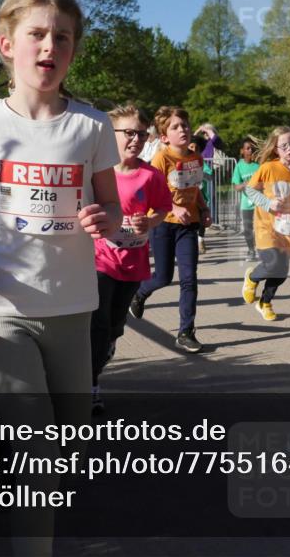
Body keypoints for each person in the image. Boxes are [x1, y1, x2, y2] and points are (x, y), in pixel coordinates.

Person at [0, 0, 121, 557]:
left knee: (66, 447)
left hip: (72, 309)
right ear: (5, 44)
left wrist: (105, 219)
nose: (49, 46)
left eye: (61, 37)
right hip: (3, 310)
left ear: (73, 50)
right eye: (36, 34)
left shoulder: (92, 127)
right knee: (36, 456)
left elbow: (112, 204)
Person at [90, 104, 172, 414]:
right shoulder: (98, 172)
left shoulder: (150, 175)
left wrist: (149, 222)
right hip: (99, 261)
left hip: (133, 265)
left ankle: (103, 352)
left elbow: (163, 208)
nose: (135, 139)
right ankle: (91, 386)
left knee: (113, 328)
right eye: (128, 133)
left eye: (141, 134)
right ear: (110, 136)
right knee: (96, 327)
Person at [127, 106, 212, 353]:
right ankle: (139, 295)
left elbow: (195, 190)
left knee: (189, 278)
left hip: (188, 225)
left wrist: (204, 210)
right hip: (163, 223)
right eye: (175, 127)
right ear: (164, 137)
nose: (182, 129)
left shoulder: (196, 158)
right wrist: (174, 207)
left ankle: (186, 332)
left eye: (185, 125)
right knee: (163, 277)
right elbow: (152, 195)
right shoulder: (161, 159)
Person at [241, 126, 290, 321]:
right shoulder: (268, 168)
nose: (289, 149)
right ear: (276, 149)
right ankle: (252, 276)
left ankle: (265, 302)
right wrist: (268, 203)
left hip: (288, 229)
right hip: (266, 227)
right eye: (284, 146)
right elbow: (250, 190)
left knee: (280, 273)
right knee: (272, 263)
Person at [232, 137, 260, 261]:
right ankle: (251, 251)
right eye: (248, 148)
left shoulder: (258, 166)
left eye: (252, 148)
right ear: (242, 151)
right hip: (246, 204)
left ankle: (263, 250)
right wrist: (244, 185)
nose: (250, 151)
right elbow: (236, 186)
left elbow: (264, 183)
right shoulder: (239, 166)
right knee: (248, 229)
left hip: (259, 203)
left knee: (261, 228)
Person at [190, 133, 212, 254]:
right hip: (189, 200)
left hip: (202, 199)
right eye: (191, 147)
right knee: (193, 223)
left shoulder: (202, 163)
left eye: (196, 148)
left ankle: (201, 239)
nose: (193, 150)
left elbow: (210, 176)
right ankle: (194, 242)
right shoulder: (184, 163)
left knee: (201, 221)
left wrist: (201, 173)